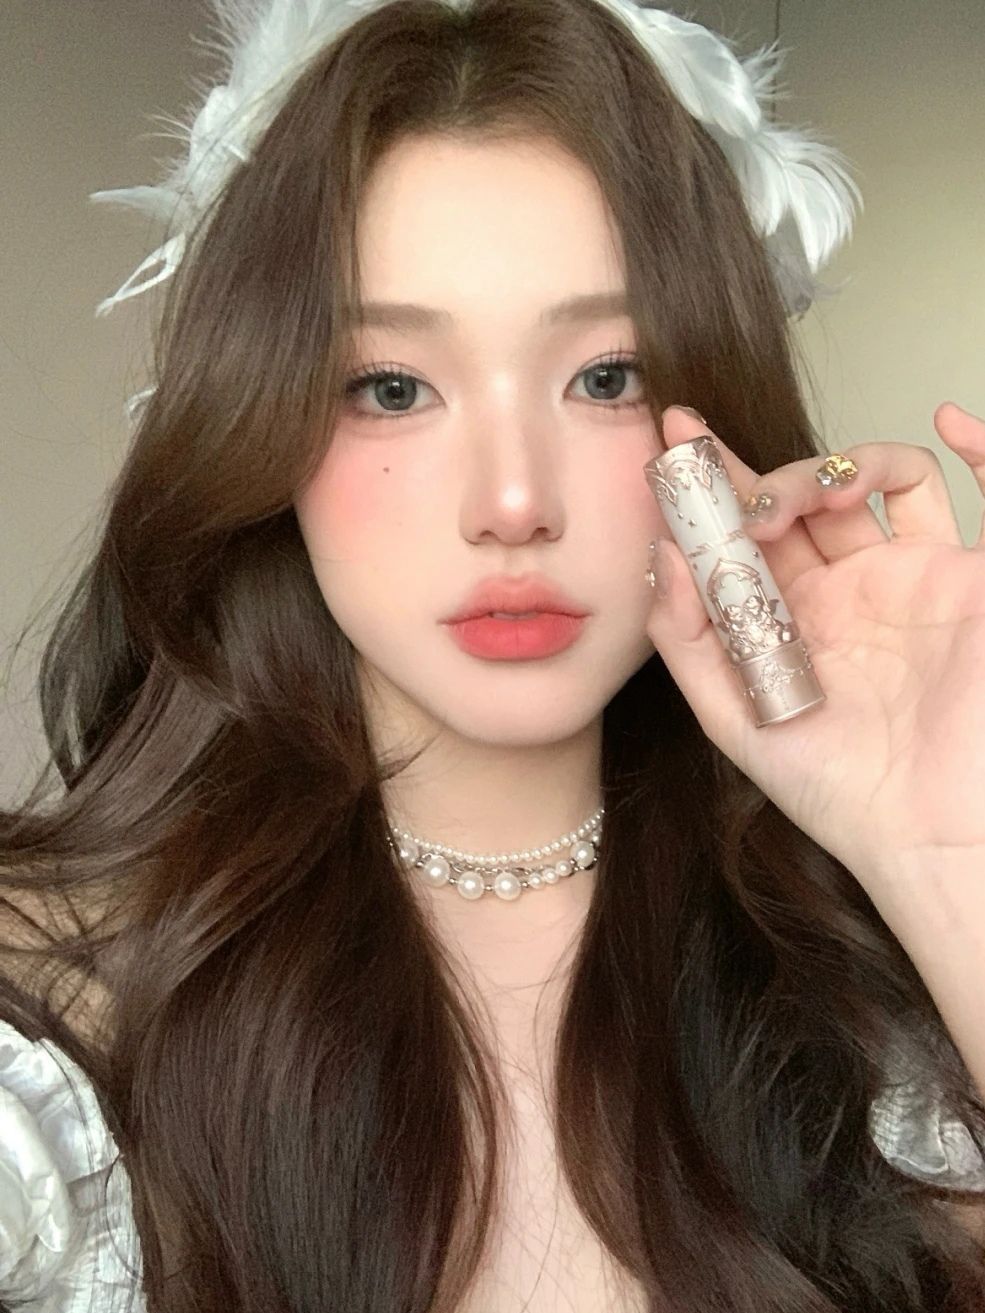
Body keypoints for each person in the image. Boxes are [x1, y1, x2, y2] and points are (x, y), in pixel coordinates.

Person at [2, 0, 984, 1310]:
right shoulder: (48, 1029)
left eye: (606, 377)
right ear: (264, 424)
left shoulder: (876, 986)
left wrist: (944, 860)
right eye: (391, 387)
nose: (512, 502)